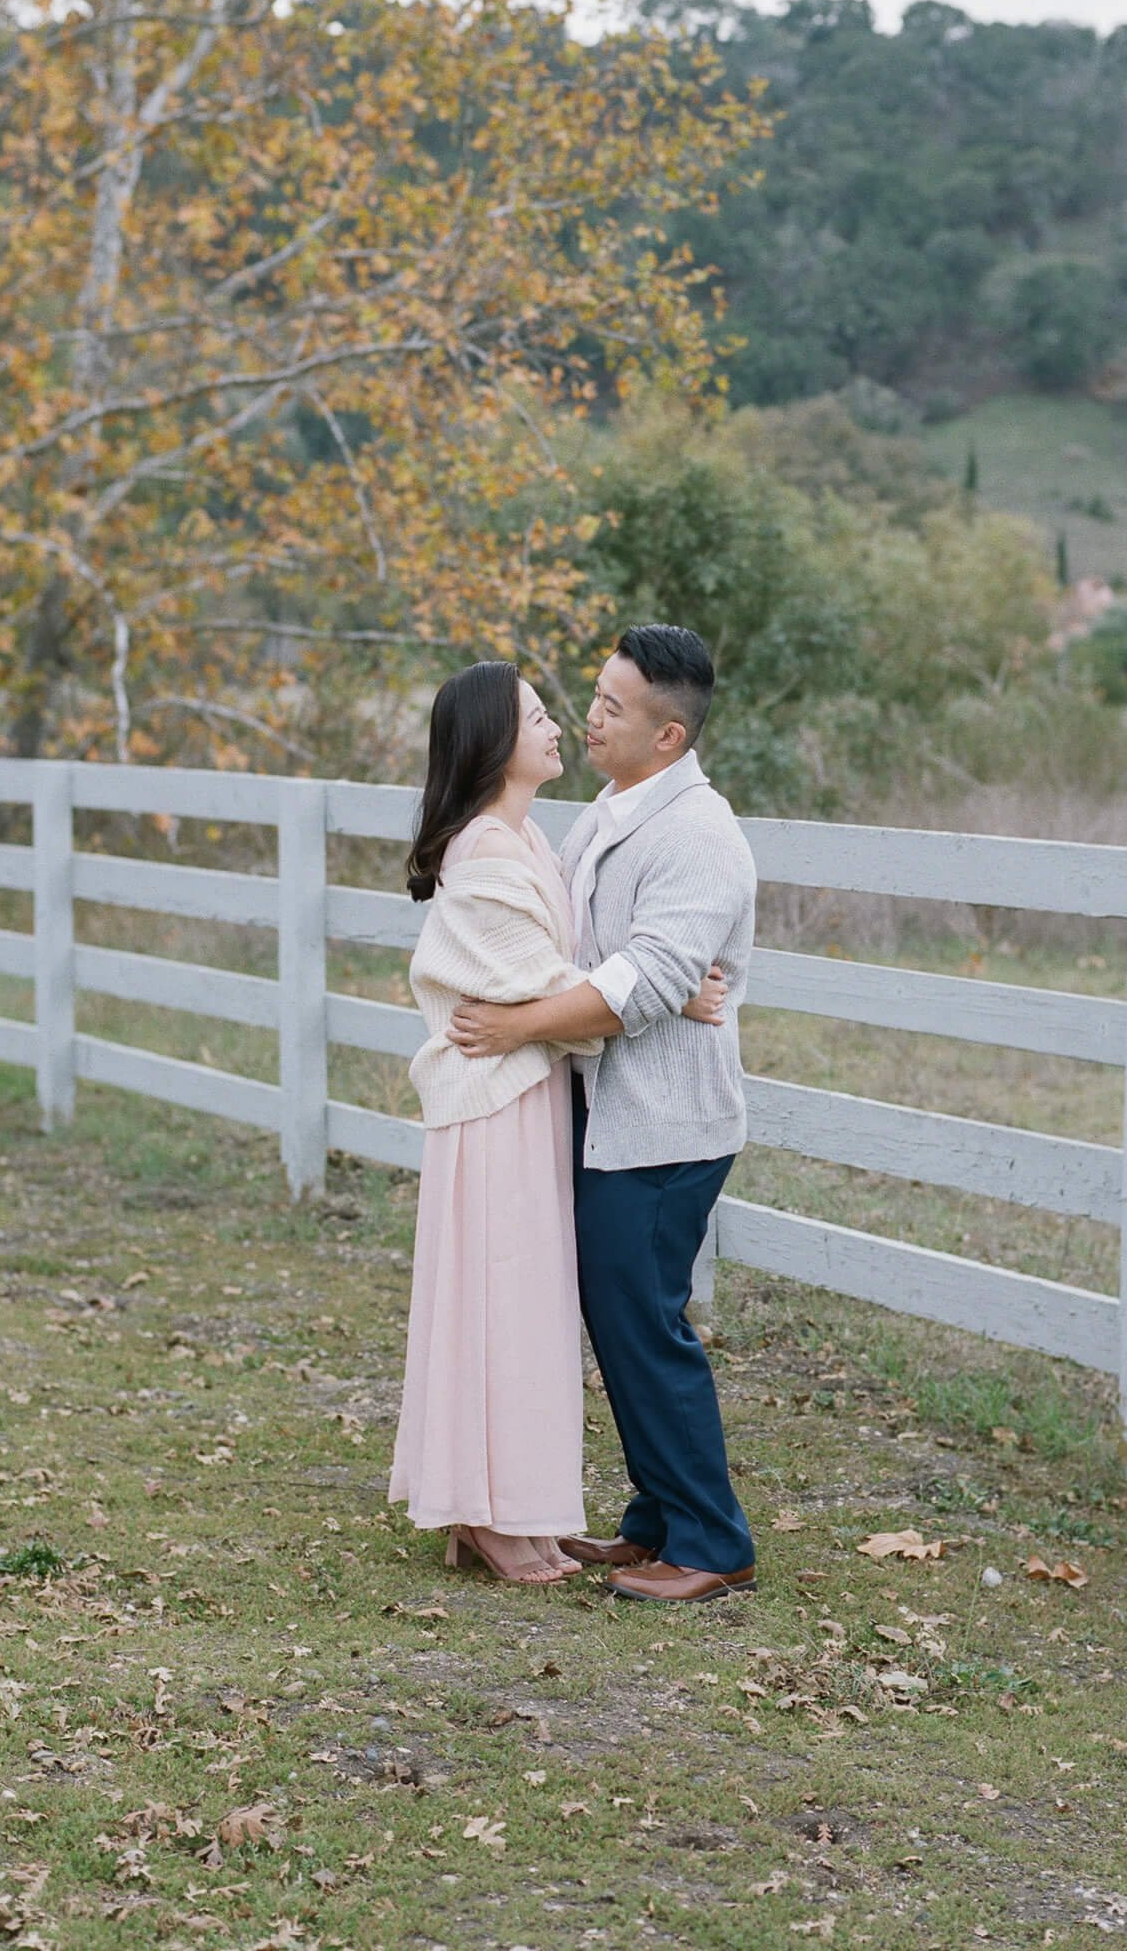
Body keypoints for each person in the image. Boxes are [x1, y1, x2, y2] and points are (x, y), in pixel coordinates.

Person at [389, 660, 728, 1587]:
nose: (562, 725)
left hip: (536, 1099)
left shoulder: (537, 836)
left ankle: (511, 1513)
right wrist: (662, 991)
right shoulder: (492, 851)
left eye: (564, 710)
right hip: (499, 1106)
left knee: (529, 1308)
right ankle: (491, 1516)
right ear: (494, 744)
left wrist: (652, 984)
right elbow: (542, 981)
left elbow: (581, 967)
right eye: (537, 716)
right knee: (504, 1303)